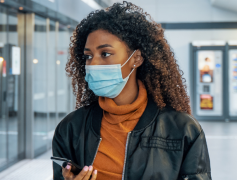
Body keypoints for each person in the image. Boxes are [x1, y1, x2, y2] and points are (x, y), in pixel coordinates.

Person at [52, 1, 211, 180]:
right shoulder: (70, 129)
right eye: (88, 56)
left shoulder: (183, 130)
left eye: (105, 54)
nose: (93, 63)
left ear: (136, 58)